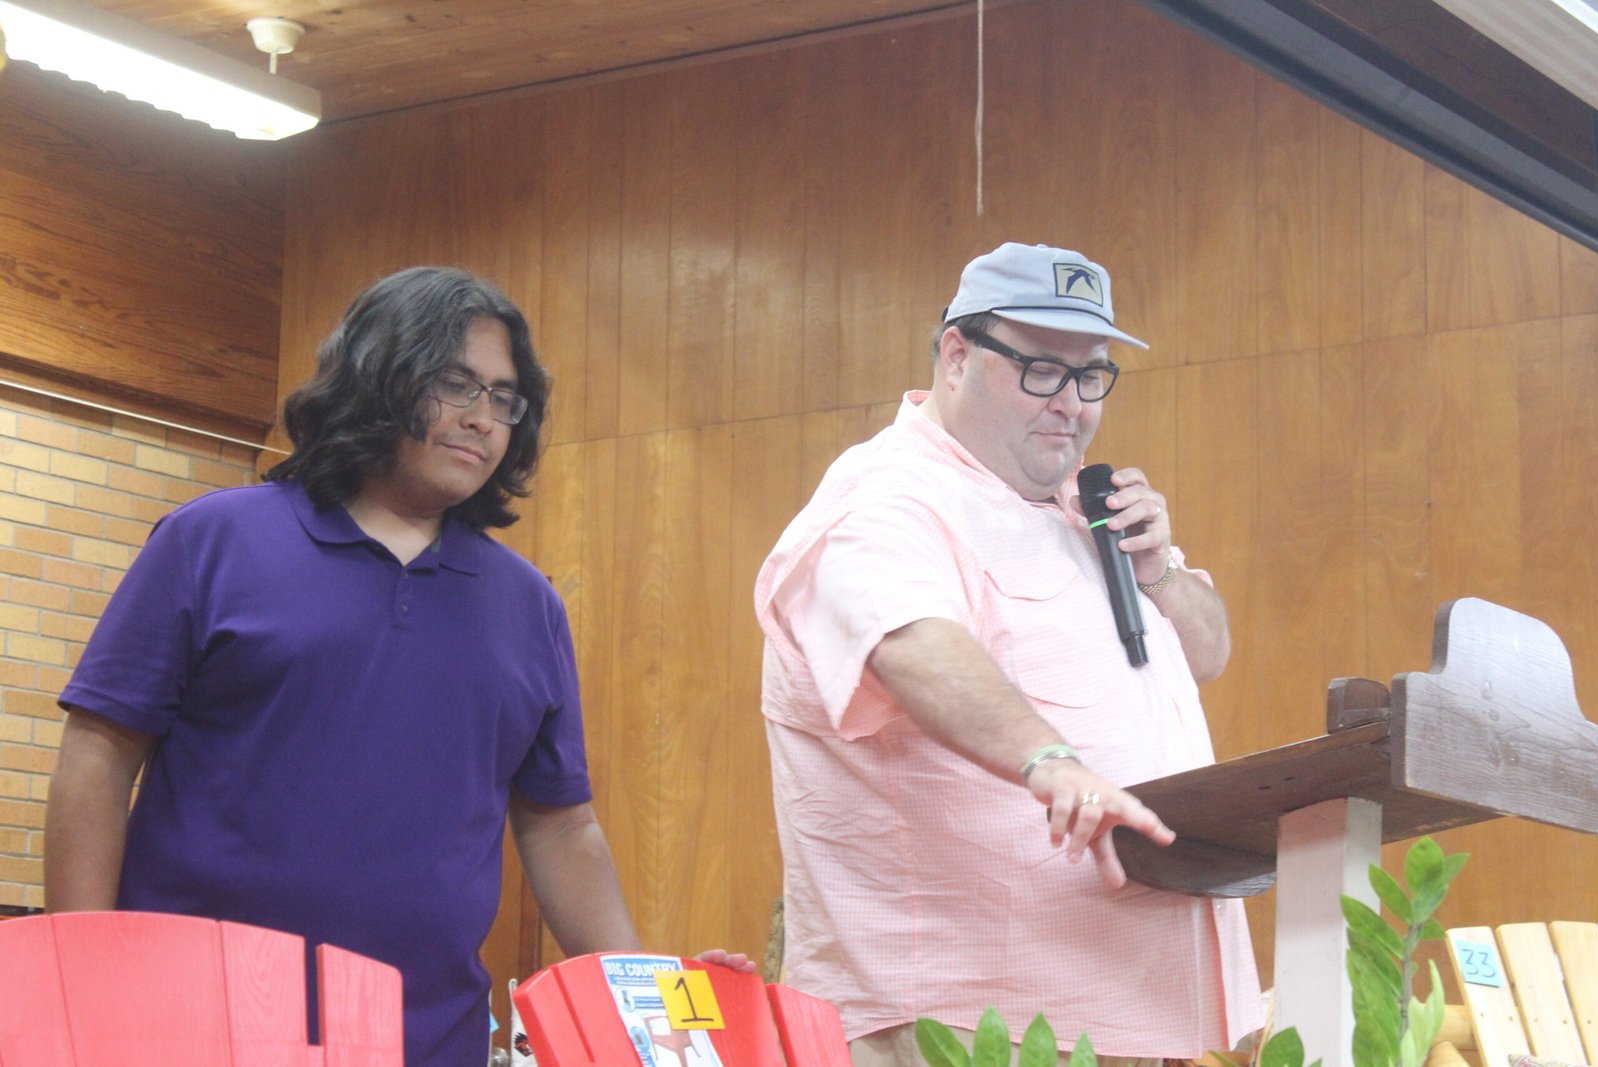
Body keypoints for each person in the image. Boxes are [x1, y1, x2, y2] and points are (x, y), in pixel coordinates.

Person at [45, 266, 747, 1067]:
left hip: (427, 1038)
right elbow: (100, 751)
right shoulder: (211, 540)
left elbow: (561, 825)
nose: (482, 418)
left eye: (504, 398)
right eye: (456, 384)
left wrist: (649, 1006)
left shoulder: (529, 605)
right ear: (377, 375)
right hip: (193, 1024)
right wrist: (83, 978)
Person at [754, 243, 1264, 1066]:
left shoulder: (1085, 509)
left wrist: (1159, 570)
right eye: (1041, 369)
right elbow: (909, 641)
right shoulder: (887, 496)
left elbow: (1208, 651)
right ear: (957, 355)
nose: (1071, 404)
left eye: (1090, 375)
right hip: (966, 1016)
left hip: (1131, 1009)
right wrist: (1051, 761)